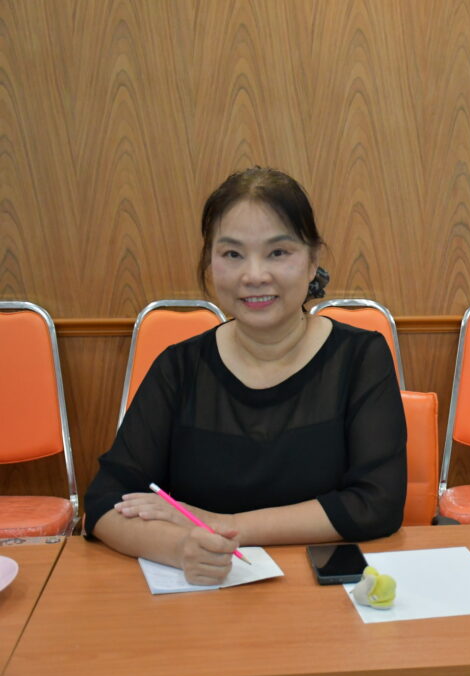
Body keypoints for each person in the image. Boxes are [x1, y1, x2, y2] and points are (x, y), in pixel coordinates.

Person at [84, 167, 407, 584]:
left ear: (313, 262)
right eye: (232, 254)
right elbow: (105, 501)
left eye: (278, 252)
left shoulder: (360, 357)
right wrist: (179, 548)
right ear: (210, 262)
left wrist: (225, 524)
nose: (254, 275)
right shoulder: (178, 367)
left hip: (320, 596)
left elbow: (377, 504)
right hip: (205, 594)